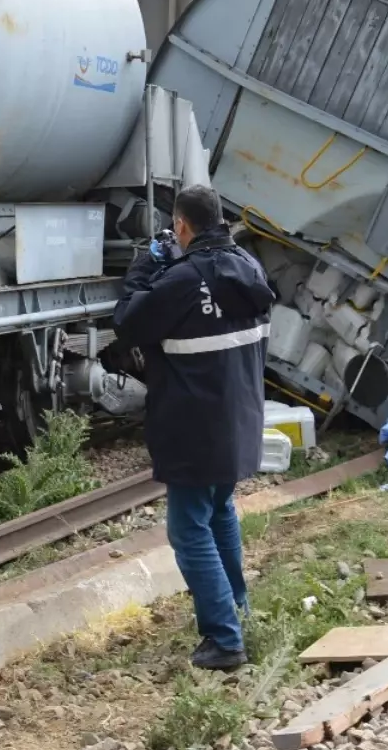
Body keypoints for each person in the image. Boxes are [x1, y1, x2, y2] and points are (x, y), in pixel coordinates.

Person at [112, 185, 275, 670]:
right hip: (239, 416)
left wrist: (145, 266)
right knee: (219, 508)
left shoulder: (182, 280)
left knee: (188, 530)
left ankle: (224, 641)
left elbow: (129, 320)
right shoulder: (249, 266)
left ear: (181, 227)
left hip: (194, 424)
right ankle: (236, 612)